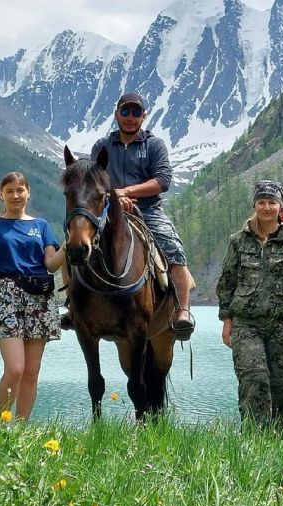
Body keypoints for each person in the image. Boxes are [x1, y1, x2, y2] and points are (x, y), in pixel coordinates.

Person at [73, 92, 195, 340]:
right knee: (74, 243)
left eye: (136, 112)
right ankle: (72, 306)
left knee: (174, 249)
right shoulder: (102, 146)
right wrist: (114, 198)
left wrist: (124, 192)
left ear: (144, 116)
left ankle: (182, 311)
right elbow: (93, 181)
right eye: (125, 112)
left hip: (147, 210)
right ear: (117, 114)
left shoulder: (154, 145)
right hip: (108, 210)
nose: (130, 117)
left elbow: (163, 180)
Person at [216, 181, 283, 430]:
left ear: (281, 206)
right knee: (253, 381)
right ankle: (254, 445)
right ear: (255, 205)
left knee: (282, 389)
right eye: (261, 202)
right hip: (247, 326)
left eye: (272, 202)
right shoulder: (238, 241)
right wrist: (227, 321)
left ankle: (277, 448)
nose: (267, 207)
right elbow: (227, 281)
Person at [0, 172, 65, 420]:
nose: (15, 195)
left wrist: (69, 247)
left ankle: (21, 429)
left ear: (29, 193)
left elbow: (51, 264)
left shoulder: (42, 227)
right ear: (2, 195)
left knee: (31, 371)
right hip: (6, 296)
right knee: (15, 369)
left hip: (39, 297)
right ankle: (0, 424)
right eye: (9, 191)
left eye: (20, 190)